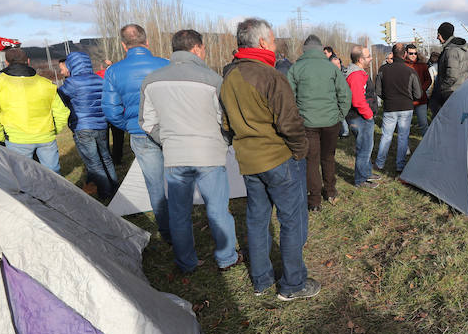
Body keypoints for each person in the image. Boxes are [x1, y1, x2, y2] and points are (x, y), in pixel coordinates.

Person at [220, 17, 319, 301]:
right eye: (273, 40)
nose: (275, 45)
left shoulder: (230, 76)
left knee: (257, 218)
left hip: (249, 161)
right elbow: (290, 123)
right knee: (291, 221)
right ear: (263, 42)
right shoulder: (270, 76)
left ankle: (261, 280)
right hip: (278, 159)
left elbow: (225, 124)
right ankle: (293, 284)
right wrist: (300, 151)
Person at [139, 29, 241, 274]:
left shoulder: (152, 80)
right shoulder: (213, 79)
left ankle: (186, 262)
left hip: (175, 154)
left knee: (179, 213)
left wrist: (166, 140)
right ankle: (226, 257)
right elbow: (224, 119)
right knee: (217, 209)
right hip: (209, 153)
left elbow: (147, 121)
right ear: (196, 48)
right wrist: (223, 141)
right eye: (204, 48)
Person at [102, 24, 171, 242]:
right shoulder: (166, 65)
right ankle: (182, 224)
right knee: (178, 178)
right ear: (147, 41)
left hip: (140, 133)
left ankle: (168, 232)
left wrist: (128, 125)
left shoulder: (113, 71)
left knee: (155, 184)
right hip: (169, 129)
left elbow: (111, 110)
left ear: (124, 45)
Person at [286, 35, 352, 211]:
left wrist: (297, 119)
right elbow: (345, 94)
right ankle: (330, 191)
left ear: (304, 50)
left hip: (307, 123)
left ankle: (314, 200)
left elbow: (288, 98)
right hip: (331, 121)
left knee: (311, 160)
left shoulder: (295, 69)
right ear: (321, 49)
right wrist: (340, 115)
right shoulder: (331, 68)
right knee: (328, 156)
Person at [0, 48, 70, 172]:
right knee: (53, 175)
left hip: (16, 139)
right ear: (28, 61)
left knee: (24, 178)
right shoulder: (46, 83)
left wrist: (0, 136)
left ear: (6, 62)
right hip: (45, 137)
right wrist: (54, 130)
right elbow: (62, 111)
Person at [57, 51, 119, 200]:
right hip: (101, 124)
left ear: (72, 64)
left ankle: (106, 194)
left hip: (83, 126)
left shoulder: (72, 82)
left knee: (94, 163)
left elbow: (60, 97)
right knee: (106, 158)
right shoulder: (99, 79)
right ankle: (115, 189)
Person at [375, 43, 422, 174]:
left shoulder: (383, 70)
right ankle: (400, 165)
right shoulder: (411, 71)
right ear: (405, 54)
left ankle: (379, 164)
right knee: (403, 137)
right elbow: (418, 94)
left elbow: (378, 91)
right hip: (406, 107)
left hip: (390, 107)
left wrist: (388, 98)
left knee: (386, 136)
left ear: (393, 53)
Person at [345, 45, 380, 189]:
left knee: (367, 147)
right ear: (360, 59)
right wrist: (369, 115)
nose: (371, 59)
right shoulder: (356, 75)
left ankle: (366, 173)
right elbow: (358, 100)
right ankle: (360, 180)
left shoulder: (359, 72)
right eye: (368, 56)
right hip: (360, 117)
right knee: (364, 149)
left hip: (361, 116)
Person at [428, 22, 468, 115]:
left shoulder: (451, 51)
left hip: (450, 93)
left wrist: (442, 88)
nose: (437, 37)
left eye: (438, 35)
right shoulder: (458, 49)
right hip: (458, 91)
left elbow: (452, 75)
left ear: (442, 35)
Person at [404, 44, 431, 134]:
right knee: (405, 126)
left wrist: (421, 90)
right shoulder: (402, 66)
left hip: (421, 100)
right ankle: (405, 147)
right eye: (411, 53)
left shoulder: (422, 65)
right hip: (407, 100)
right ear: (406, 53)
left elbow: (428, 80)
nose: (413, 55)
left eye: (415, 53)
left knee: (423, 124)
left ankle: (427, 145)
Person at [329, 54, 351, 138]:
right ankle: (343, 131)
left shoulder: (345, 73)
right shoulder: (328, 75)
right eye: (334, 64)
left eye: (338, 63)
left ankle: (345, 131)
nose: (337, 66)